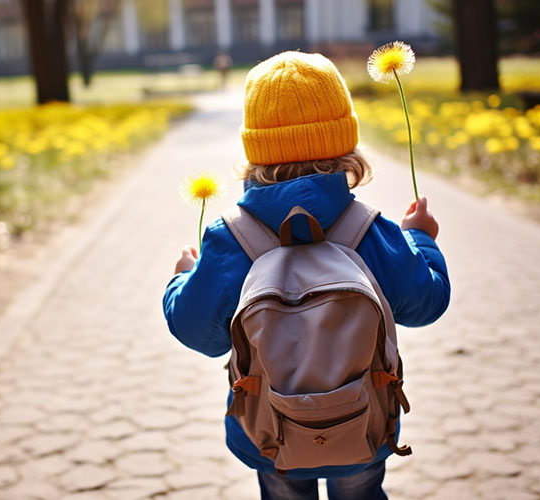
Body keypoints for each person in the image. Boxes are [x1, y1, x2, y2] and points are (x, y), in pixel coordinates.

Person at [162, 51, 450, 500]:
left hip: (268, 431)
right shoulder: (370, 231)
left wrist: (183, 280)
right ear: (344, 142)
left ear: (254, 148)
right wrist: (422, 240)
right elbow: (427, 302)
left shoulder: (231, 240)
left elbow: (201, 334)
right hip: (364, 424)